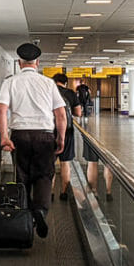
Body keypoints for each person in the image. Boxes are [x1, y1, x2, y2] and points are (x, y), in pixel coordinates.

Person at [0, 43, 66, 239]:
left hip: (20, 135)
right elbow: (60, 114)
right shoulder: (48, 83)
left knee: (22, 176)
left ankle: (24, 217)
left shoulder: (10, 82)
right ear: (38, 63)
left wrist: (5, 137)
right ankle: (41, 211)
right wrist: (60, 138)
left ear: (19, 63)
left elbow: (1, 110)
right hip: (44, 134)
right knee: (44, 175)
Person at [51, 73, 82, 201]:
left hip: (50, 131)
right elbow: (78, 113)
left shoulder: (49, 91)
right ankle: (64, 193)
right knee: (65, 163)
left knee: (50, 164)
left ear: (54, 81)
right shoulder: (70, 93)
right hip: (67, 131)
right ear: (65, 82)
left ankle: (50, 193)